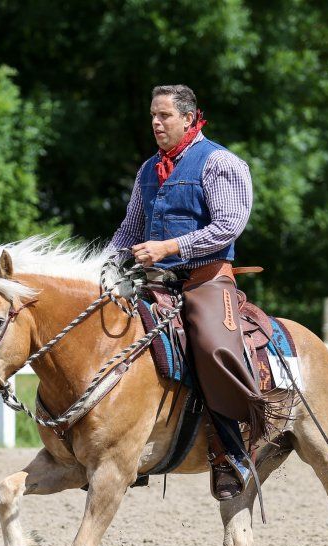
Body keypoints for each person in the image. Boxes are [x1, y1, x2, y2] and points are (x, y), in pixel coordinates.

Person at [109, 84, 267, 500]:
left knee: (212, 346)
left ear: (189, 118)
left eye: (164, 116)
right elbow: (129, 230)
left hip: (207, 280)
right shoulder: (148, 170)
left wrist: (169, 247)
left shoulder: (220, 163)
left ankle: (233, 452)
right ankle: (125, 447)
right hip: (153, 283)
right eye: (153, 116)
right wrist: (104, 266)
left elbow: (228, 227)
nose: (156, 123)